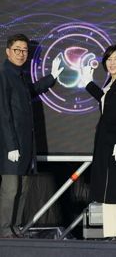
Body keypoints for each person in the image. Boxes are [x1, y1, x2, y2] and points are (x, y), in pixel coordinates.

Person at [0, 33, 63, 238]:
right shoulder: (4, 75)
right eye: (17, 50)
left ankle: (15, 227)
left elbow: (31, 90)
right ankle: (4, 229)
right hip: (11, 146)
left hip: (26, 146)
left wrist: (52, 77)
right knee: (11, 189)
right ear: (8, 51)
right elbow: (3, 114)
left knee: (23, 189)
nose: (21, 54)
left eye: (24, 50)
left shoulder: (19, 75)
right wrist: (11, 146)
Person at [81, 44, 116, 240]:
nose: (111, 63)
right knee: (108, 187)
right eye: (108, 59)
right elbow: (107, 101)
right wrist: (89, 83)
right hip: (107, 141)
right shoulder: (112, 83)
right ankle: (112, 232)